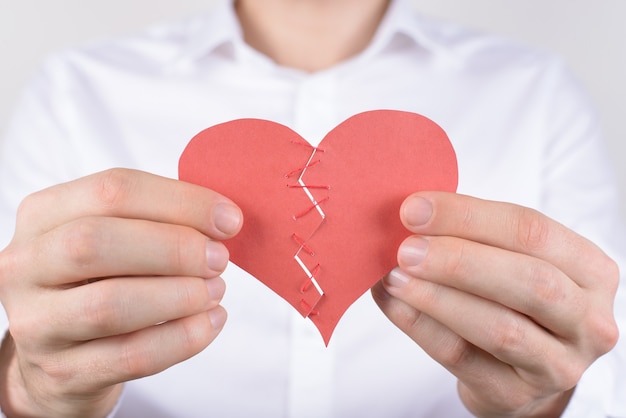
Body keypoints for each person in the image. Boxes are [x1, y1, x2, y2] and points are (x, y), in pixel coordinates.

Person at [0, 0, 624, 416]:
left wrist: (546, 397)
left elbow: (606, 375)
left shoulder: (535, 92)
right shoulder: (75, 91)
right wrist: (33, 392)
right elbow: (17, 334)